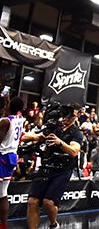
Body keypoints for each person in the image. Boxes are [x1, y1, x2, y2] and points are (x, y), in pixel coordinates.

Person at [24, 102, 83, 229]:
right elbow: (28, 136)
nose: (67, 118)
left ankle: (53, 224)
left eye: (71, 115)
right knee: (32, 201)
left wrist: (60, 142)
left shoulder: (76, 133)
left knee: (48, 202)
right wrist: (34, 137)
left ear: (76, 116)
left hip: (63, 169)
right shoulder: (53, 127)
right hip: (46, 166)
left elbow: (74, 151)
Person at [0, 96, 24, 229]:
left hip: (2, 157)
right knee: (2, 193)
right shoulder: (20, 120)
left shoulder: (5, 122)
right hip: (12, 157)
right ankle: (3, 224)